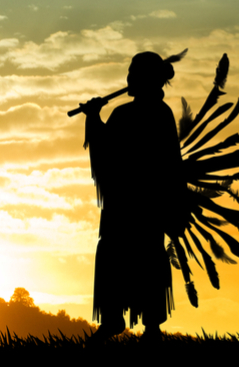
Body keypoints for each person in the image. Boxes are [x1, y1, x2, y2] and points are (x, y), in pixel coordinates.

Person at [79, 52, 184, 343]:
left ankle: (149, 326)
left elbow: (169, 164)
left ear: (145, 79)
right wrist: (94, 117)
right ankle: (114, 320)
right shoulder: (125, 114)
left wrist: (95, 118)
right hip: (125, 205)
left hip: (144, 205)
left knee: (146, 258)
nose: (127, 80)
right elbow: (107, 151)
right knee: (116, 257)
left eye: (133, 74)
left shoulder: (157, 114)